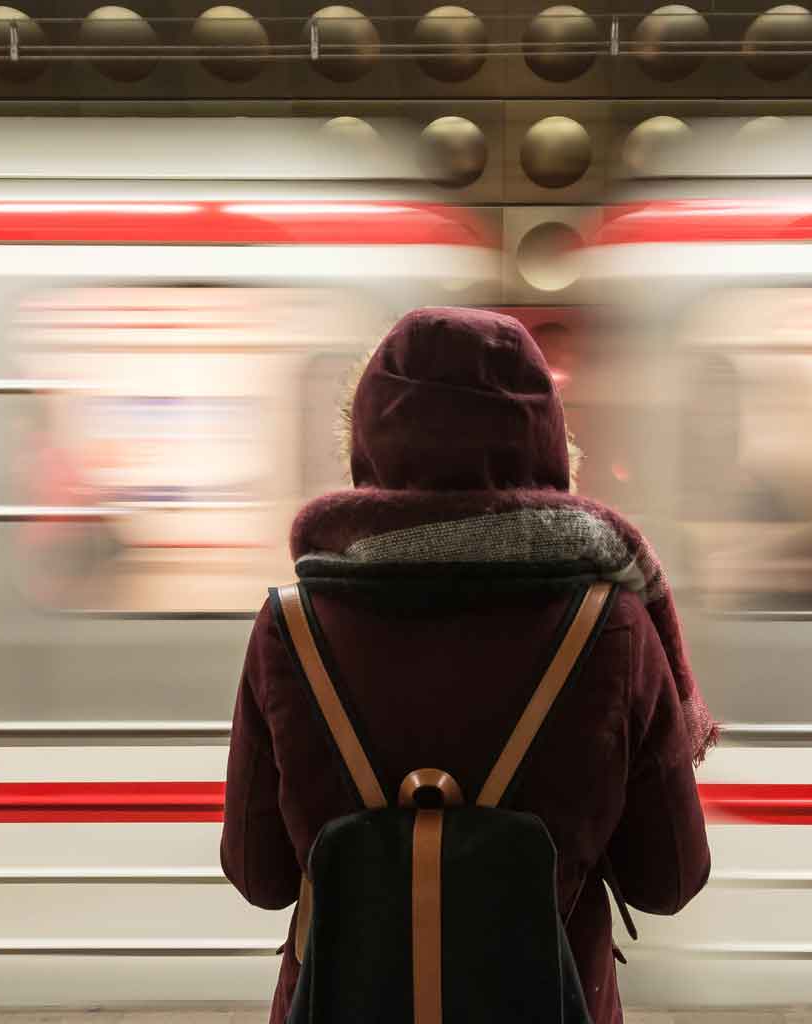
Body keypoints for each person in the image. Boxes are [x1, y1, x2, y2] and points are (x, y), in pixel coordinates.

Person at [221, 307, 715, 1024]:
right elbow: (670, 879)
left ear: (369, 441)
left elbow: (258, 874)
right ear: (546, 441)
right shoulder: (613, 626)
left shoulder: (290, 627)